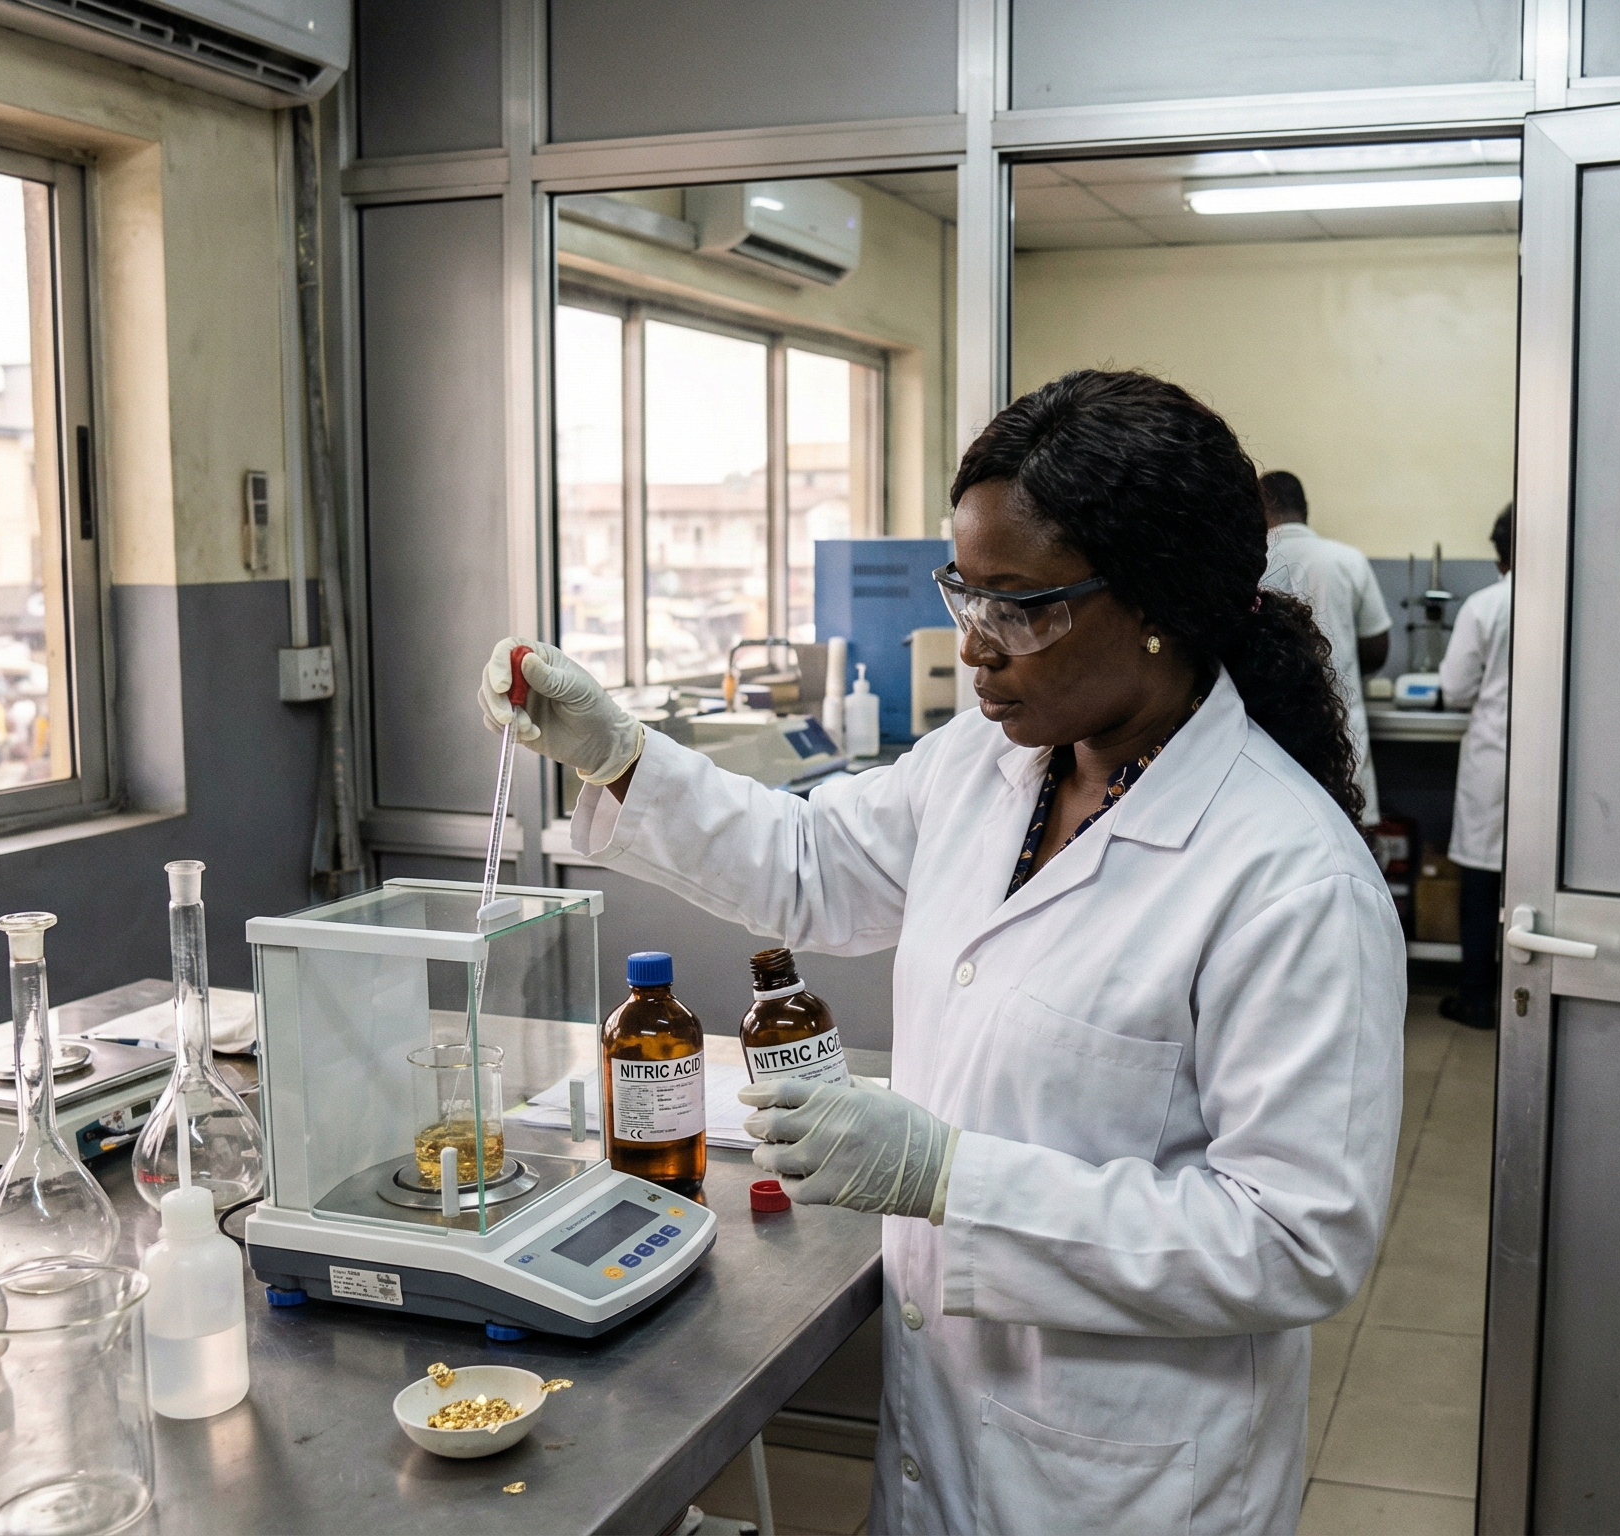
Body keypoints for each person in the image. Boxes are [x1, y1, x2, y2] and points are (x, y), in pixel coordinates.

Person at [482, 370, 1404, 1535]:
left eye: (1018, 607)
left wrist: (950, 1180)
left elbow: (1293, 1240)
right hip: (950, 1432)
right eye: (963, 594)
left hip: (1123, 1481)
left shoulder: (1288, 878)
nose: (974, 647)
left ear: (1156, 602)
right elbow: (810, 863)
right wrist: (620, 754)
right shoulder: (990, 762)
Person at [1258, 470, 1393, 826]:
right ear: (1306, 509)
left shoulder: (1251, 562)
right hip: (1340, 725)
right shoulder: (1347, 560)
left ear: (1259, 509)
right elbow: (1378, 648)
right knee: (1349, 834)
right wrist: (1337, 669)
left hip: (1267, 730)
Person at [1437, 505, 1514, 1029]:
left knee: (1483, 887)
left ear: (1499, 551)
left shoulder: (1487, 606)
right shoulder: (1572, 601)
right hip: (1560, 772)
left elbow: (1456, 689)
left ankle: (1477, 1000)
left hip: (1495, 757)